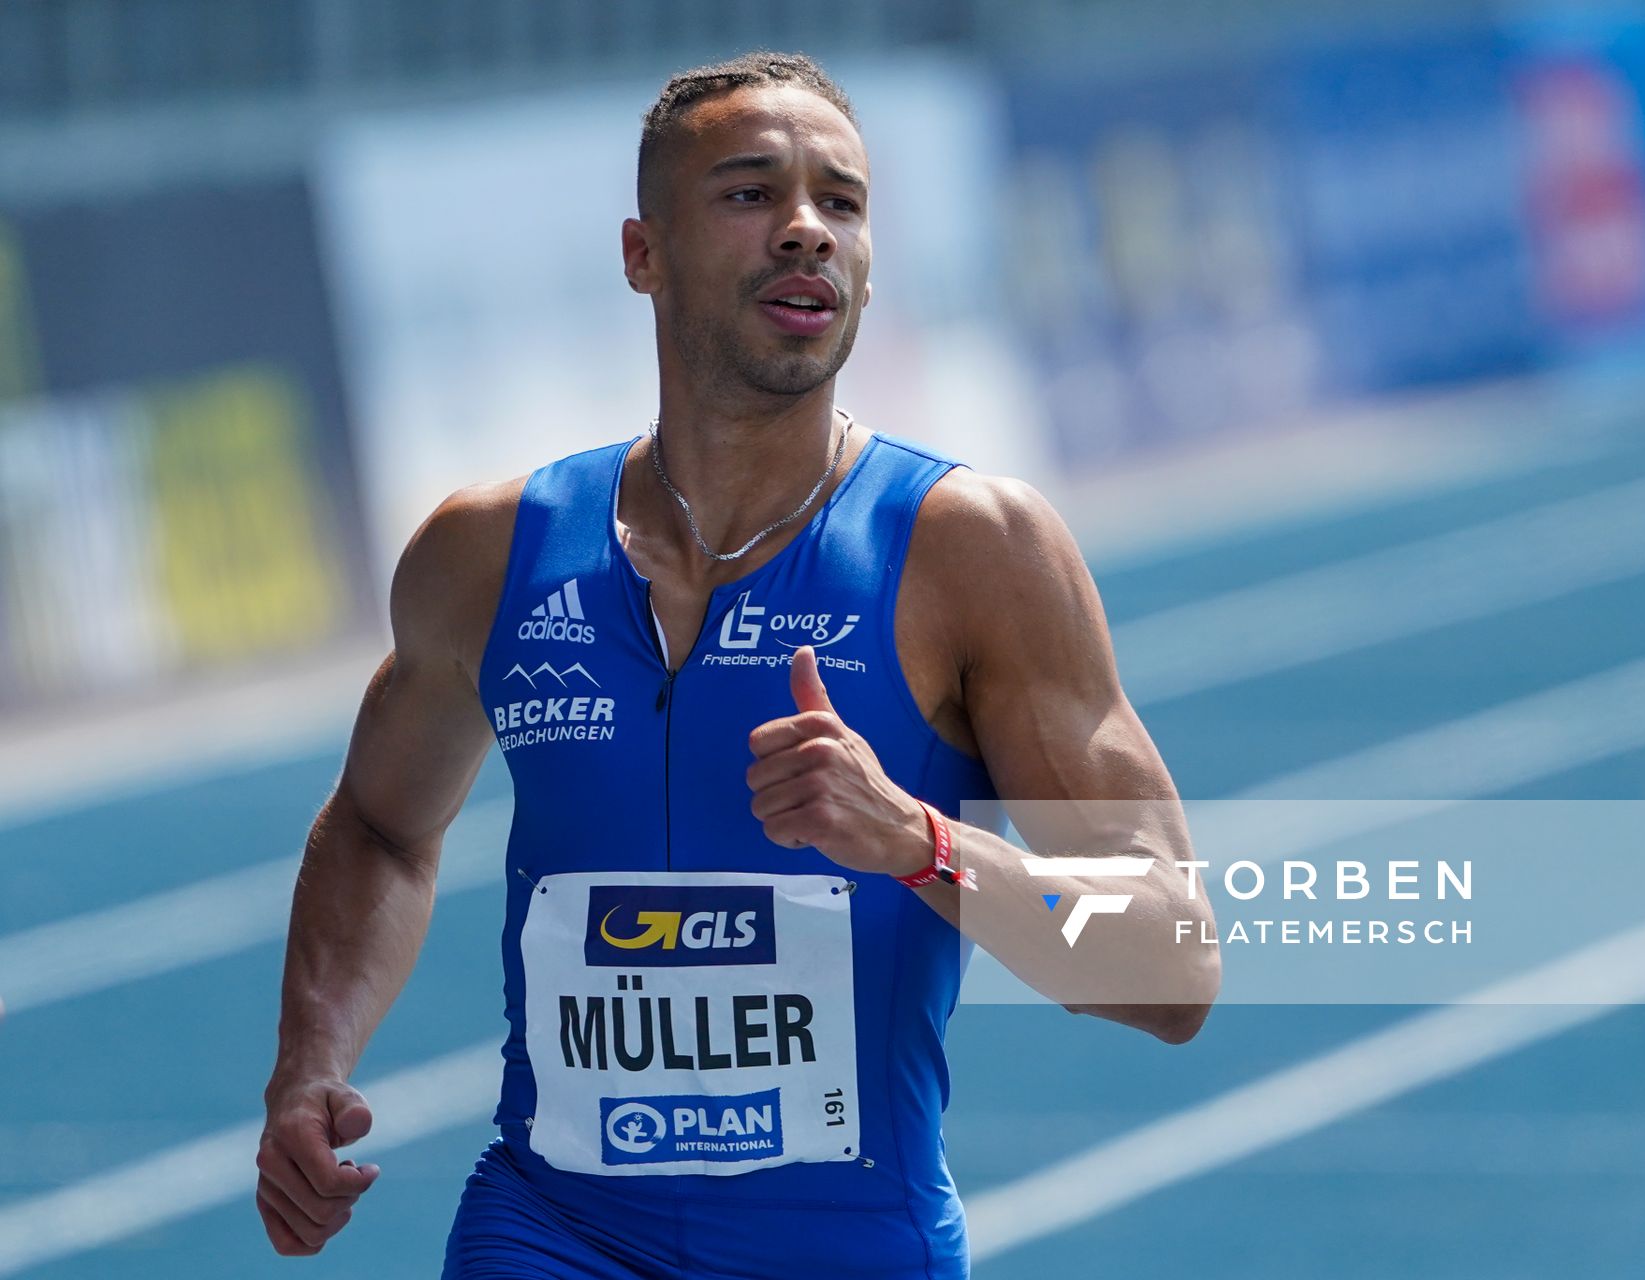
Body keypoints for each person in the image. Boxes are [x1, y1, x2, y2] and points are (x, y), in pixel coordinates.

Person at [256, 51, 1219, 1279]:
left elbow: (1173, 960)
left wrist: (916, 838)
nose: (808, 231)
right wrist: (310, 1060)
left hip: (845, 1248)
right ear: (641, 253)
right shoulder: (488, 553)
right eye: (752, 193)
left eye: (845, 203)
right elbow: (381, 830)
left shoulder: (974, 551)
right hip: (551, 1231)